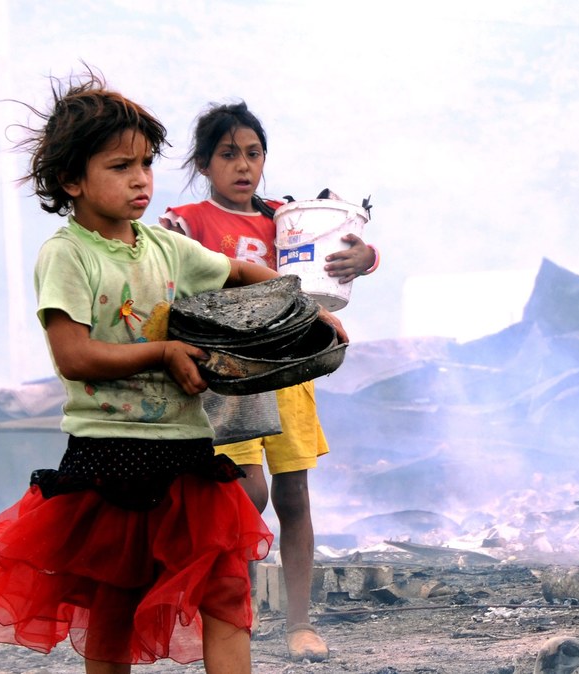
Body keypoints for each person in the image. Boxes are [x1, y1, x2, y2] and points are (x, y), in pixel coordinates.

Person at [0, 70, 344, 674]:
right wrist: (161, 353)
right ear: (71, 180)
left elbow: (241, 275)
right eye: (119, 167)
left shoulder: (164, 248)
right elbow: (74, 355)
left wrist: (308, 311)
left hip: (188, 453)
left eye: (145, 165)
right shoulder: (68, 254)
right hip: (110, 458)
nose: (139, 180)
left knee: (225, 596)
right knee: (112, 612)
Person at [160, 101, 377, 661]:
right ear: (205, 163)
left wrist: (364, 254)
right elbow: (160, 269)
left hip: (288, 369)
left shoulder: (288, 219)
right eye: (228, 154)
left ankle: (300, 624)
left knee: (294, 496)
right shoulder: (186, 222)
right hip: (228, 376)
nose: (243, 166)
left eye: (253, 154)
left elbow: (345, 246)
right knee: (246, 491)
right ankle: (220, 605)